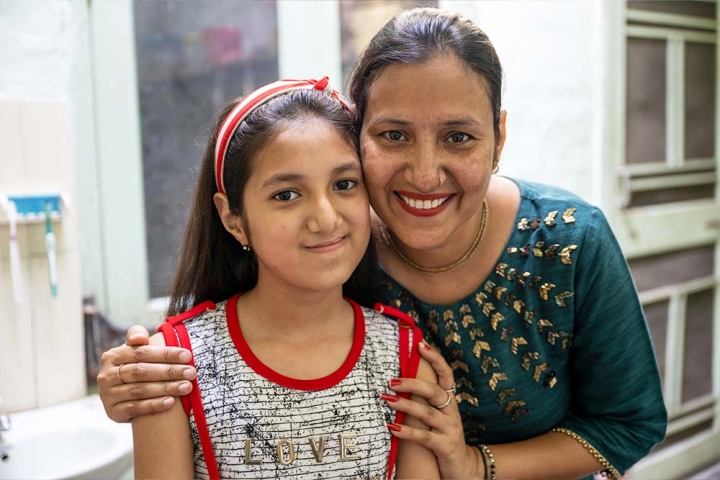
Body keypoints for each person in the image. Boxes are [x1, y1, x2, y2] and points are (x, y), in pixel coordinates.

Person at [97, 8, 667, 480]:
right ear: (359, 137)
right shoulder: (333, 247)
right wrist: (136, 383)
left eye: (459, 137)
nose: (424, 172)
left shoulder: (570, 241)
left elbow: (629, 424)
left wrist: (476, 466)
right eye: (393, 135)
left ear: (499, 139)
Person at [128, 77, 441, 479]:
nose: (325, 218)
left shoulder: (406, 358)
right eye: (287, 195)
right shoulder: (172, 369)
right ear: (233, 219)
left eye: (345, 184)